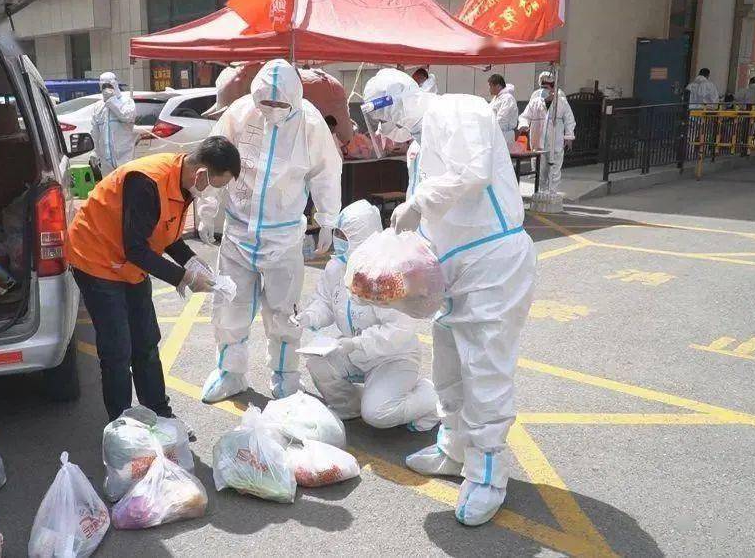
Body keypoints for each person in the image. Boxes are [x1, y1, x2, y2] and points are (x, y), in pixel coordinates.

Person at [361, 69, 536, 526]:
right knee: (449, 366)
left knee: (484, 369)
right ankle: (454, 449)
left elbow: (471, 173)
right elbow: (437, 213)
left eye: (383, 116)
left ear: (401, 97)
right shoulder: (419, 143)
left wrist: (417, 202)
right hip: (455, 268)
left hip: (492, 260)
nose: (382, 130)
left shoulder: (457, 109)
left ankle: (488, 475)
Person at [67, 136, 241, 426]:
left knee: (146, 342)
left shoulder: (182, 183)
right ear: (200, 174)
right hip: (96, 257)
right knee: (118, 350)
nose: (210, 193)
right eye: (212, 185)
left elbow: (166, 234)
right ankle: (122, 429)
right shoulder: (147, 182)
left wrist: (194, 262)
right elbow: (135, 248)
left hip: (128, 262)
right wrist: (183, 277)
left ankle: (161, 416)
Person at [196, 59, 342, 403]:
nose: (273, 110)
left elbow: (325, 172)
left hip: (283, 236)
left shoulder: (309, 123)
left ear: (295, 98)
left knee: (283, 312)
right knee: (229, 304)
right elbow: (212, 161)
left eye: (280, 104)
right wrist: (206, 208)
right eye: (267, 103)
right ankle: (230, 373)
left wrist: (328, 219)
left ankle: (285, 377)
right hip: (238, 232)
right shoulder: (239, 113)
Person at [295, 200, 440, 431]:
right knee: (317, 360)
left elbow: (398, 331)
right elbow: (324, 302)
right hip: (354, 352)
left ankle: (433, 397)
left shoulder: (386, 276)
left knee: (378, 414)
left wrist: (356, 344)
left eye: (345, 235)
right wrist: (308, 317)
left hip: (393, 358)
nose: (339, 241)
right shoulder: (337, 268)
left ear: (362, 236)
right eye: (338, 234)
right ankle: (348, 407)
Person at [518, 72, 576, 194]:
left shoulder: (561, 102)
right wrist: (523, 125)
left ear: (553, 88)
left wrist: (569, 136)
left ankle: (552, 192)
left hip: (555, 140)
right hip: (538, 140)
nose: (544, 90)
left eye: (547, 87)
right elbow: (525, 116)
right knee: (540, 168)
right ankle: (540, 192)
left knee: (554, 168)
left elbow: (570, 119)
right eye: (542, 87)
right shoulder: (535, 102)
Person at [91, 72, 136, 175]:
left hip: (124, 158)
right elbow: (95, 133)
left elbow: (127, 116)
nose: (107, 89)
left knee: (125, 187)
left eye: (109, 85)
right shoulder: (98, 107)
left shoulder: (126, 102)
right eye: (104, 86)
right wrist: (95, 151)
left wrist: (112, 100)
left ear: (115, 84)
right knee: (109, 189)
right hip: (106, 162)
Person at [488, 74, 519, 150]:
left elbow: (502, 119)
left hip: (504, 135)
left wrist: (492, 128)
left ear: (498, 86)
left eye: (490, 86)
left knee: (502, 160)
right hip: (496, 134)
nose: (489, 89)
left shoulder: (507, 98)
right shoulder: (496, 98)